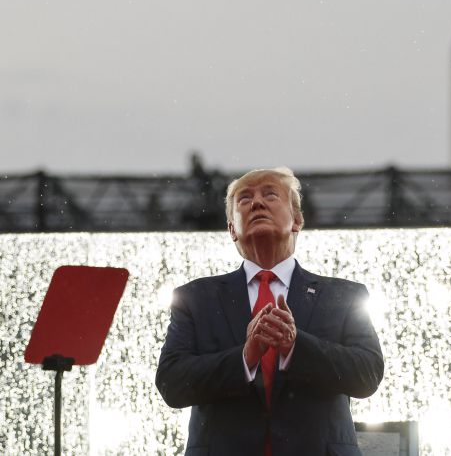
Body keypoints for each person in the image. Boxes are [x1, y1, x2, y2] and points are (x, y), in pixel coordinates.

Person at [156, 167, 384, 456]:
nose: (257, 203)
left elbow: (367, 374)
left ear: (297, 220)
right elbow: (172, 383)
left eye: (271, 195)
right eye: (245, 198)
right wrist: (245, 357)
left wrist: (296, 346)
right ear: (231, 229)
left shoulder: (344, 296)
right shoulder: (195, 298)